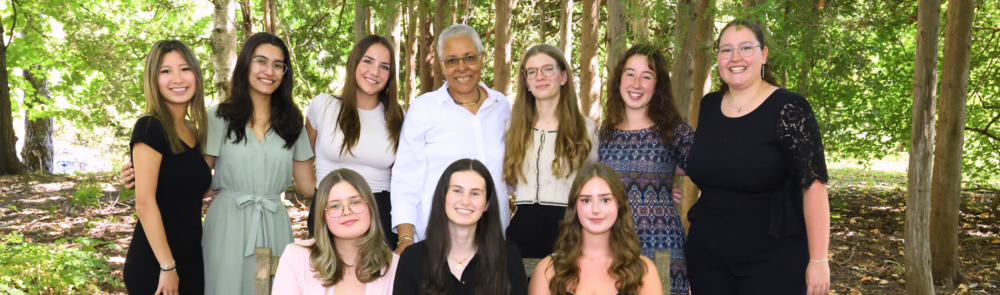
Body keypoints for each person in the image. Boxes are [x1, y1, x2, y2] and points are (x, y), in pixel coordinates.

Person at [683, 19, 830, 295]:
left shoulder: (789, 108)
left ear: (763, 55)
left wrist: (819, 259)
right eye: (726, 50)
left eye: (745, 48)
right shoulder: (710, 105)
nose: (735, 57)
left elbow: (814, 186)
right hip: (707, 258)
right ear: (718, 58)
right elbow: (712, 162)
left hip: (774, 260)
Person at [199, 32, 316, 294]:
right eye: (260, 61)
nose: (269, 71)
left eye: (278, 65)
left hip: (273, 222)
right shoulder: (217, 117)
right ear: (245, 64)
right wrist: (147, 176)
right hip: (226, 225)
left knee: (272, 289)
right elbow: (196, 178)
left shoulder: (292, 122)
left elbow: (309, 186)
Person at [391, 24, 511, 255]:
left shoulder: (501, 106)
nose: (462, 67)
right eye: (452, 60)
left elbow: (510, 173)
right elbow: (405, 178)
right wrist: (405, 238)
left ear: (482, 58)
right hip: (436, 240)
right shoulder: (423, 109)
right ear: (441, 65)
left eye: (469, 57)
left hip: (492, 240)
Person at [597, 44, 693, 295]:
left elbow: (709, 168)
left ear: (657, 84)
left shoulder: (674, 130)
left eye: (646, 76)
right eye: (630, 74)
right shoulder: (605, 134)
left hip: (663, 243)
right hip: (614, 244)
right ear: (619, 80)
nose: (636, 83)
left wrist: (663, 182)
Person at [123, 40, 212, 295]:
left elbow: (190, 190)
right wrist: (167, 266)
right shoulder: (150, 127)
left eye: (185, 69)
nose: (177, 78)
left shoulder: (194, 130)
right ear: (153, 79)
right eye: (165, 71)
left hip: (192, 258)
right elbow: (145, 202)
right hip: (156, 264)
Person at [305, 35, 405, 249]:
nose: (375, 72)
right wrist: (318, 196)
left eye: (384, 67)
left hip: (380, 214)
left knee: (378, 281)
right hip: (329, 209)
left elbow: (402, 176)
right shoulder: (323, 106)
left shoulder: (397, 116)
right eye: (368, 61)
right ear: (354, 63)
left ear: (390, 75)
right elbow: (304, 157)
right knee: (327, 278)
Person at [504, 44, 597, 258]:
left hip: (569, 230)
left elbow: (595, 183)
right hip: (522, 230)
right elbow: (505, 183)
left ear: (563, 76)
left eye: (548, 69)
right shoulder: (513, 127)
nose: (540, 77)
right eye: (532, 71)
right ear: (526, 80)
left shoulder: (586, 129)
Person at [392, 159, 527, 295]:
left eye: (474, 193)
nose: (465, 201)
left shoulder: (508, 256)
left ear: (486, 203)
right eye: (457, 191)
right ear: (443, 197)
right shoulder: (412, 258)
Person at [528, 162, 663, 295]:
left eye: (605, 200)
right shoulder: (547, 271)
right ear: (574, 207)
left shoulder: (643, 271)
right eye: (586, 200)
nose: (596, 210)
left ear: (619, 204)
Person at [272, 168, 399, 295]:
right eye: (335, 206)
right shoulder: (296, 257)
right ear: (323, 216)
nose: (347, 212)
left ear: (371, 207)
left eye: (355, 202)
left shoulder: (396, 266)